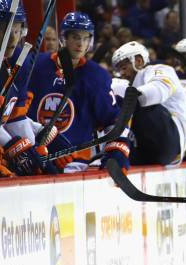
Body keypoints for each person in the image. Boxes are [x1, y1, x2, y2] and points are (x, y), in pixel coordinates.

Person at [27, 12, 121, 170]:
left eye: (85, 38)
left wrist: (117, 150)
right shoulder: (37, 65)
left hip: (75, 161)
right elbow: (18, 110)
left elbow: (111, 121)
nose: (81, 44)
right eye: (76, 37)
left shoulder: (96, 76)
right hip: (32, 154)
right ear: (64, 38)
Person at [0, 0, 59, 177]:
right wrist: (12, 146)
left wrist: (31, 148)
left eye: (17, 30)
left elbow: (15, 117)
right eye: (6, 30)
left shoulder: (20, 61)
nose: (13, 38)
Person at [110, 40, 186, 171]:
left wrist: (127, 98)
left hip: (171, 140)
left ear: (138, 61)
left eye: (124, 68)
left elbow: (157, 91)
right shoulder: (131, 83)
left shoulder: (160, 70)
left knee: (134, 100)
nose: (122, 73)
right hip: (153, 151)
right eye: (119, 70)